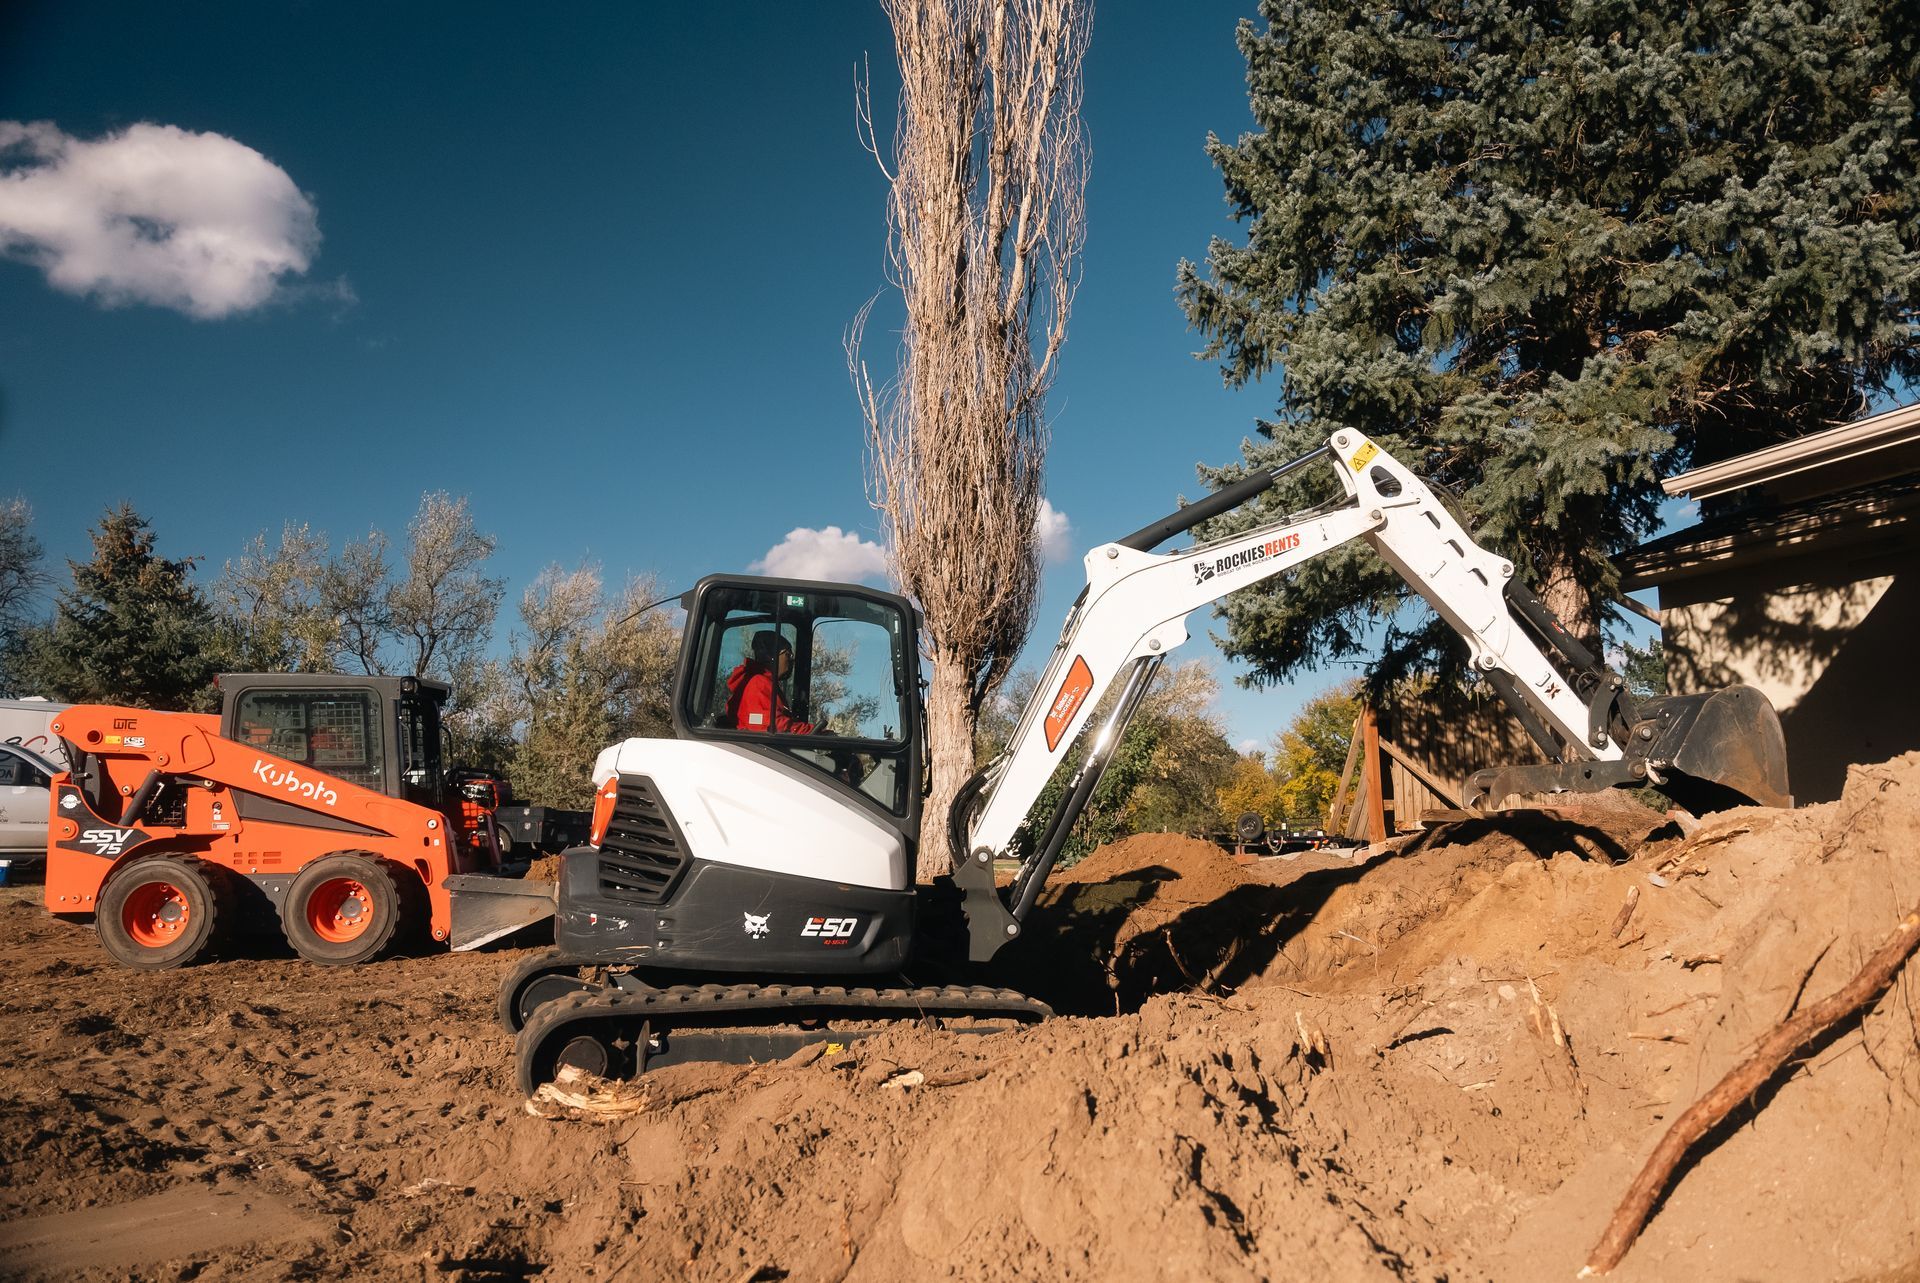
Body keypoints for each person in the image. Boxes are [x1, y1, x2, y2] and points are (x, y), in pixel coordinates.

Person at [725, 632, 817, 734]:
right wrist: (813, 732)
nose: (792, 660)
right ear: (771, 656)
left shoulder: (767, 683)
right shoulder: (758, 683)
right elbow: (774, 726)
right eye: (788, 654)